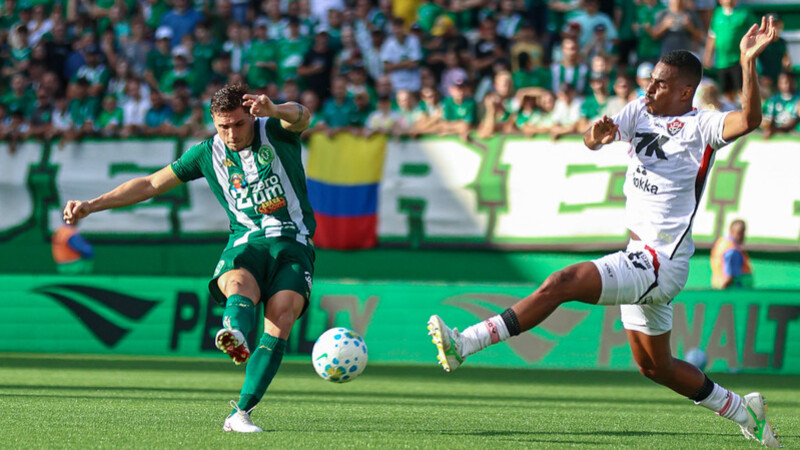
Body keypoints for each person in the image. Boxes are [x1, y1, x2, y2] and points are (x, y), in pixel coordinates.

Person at [427, 18, 781, 448]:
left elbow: (750, 119)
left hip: (659, 262)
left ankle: (466, 342)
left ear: (685, 91)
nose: (650, 89)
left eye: (661, 84)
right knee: (656, 368)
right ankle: (744, 410)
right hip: (640, 255)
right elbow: (594, 138)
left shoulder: (701, 127)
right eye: (650, 80)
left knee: (561, 282)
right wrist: (594, 137)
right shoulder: (639, 110)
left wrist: (747, 63)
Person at [62, 83, 314, 433]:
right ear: (213, 121)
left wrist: (274, 108)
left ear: (250, 116)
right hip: (247, 240)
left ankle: (240, 414)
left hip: (293, 241)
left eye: (238, 124)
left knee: (282, 317)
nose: (231, 134)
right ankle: (235, 333)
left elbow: (303, 116)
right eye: (223, 126)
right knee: (238, 283)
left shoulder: (273, 128)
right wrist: (92, 205)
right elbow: (151, 184)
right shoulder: (206, 153)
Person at [711, 219, 753, 289]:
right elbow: (728, 277)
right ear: (732, 231)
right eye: (740, 233)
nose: (743, 236)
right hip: (734, 291)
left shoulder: (722, 244)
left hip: (719, 287)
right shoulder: (732, 251)